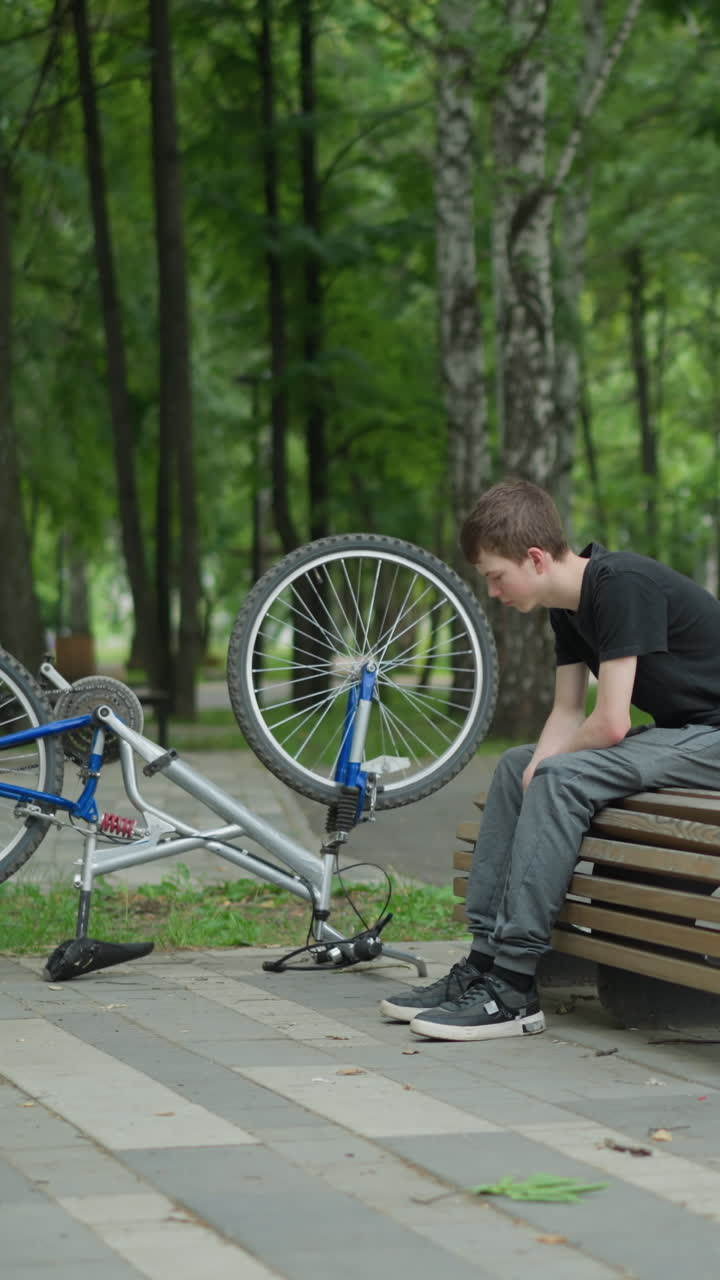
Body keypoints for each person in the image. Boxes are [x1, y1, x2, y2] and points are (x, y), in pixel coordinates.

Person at [380, 477, 720, 1041]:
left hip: (711, 736)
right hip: (685, 735)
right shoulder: (566, 609)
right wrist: (538, 763)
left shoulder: (621, 584)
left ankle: (513, 986)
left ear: (534, 559)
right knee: (518, 764)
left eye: (495, 576)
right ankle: (485, 963)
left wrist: (552, 767)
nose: (493, 592)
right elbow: (567, 712)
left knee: (559, 774)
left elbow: (610, 722)